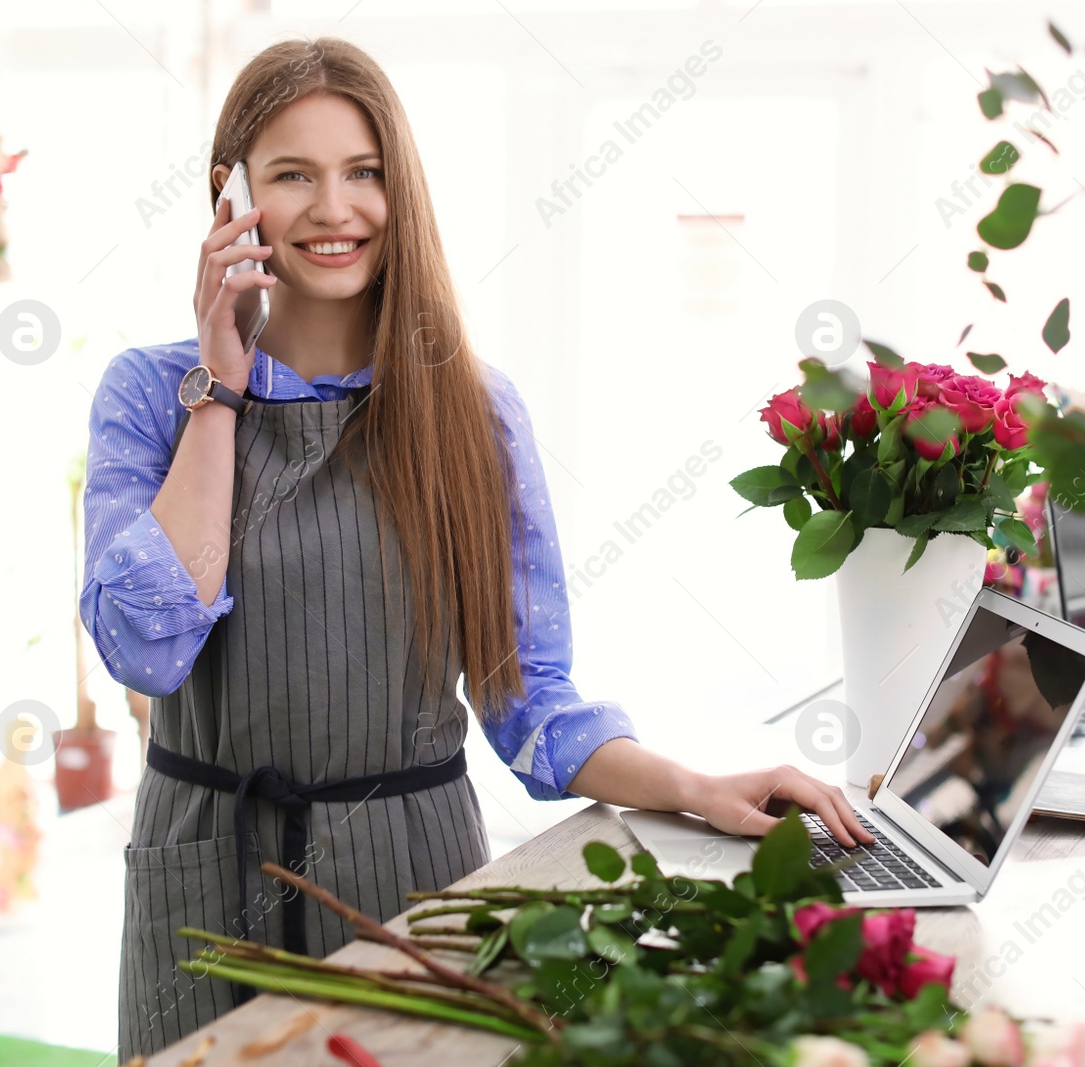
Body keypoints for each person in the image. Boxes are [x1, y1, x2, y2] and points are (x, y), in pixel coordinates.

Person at [80, 36, 873, 1061]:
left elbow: (528, 701)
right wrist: (221, 384)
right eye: (292, 174)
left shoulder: (472, 409)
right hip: (202, 877)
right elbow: (147, 650)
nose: (335, 208)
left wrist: (697, 785)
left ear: (399, 188)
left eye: (363, 172)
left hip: (411, 881)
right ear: (229, 197)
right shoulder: (153, 395)